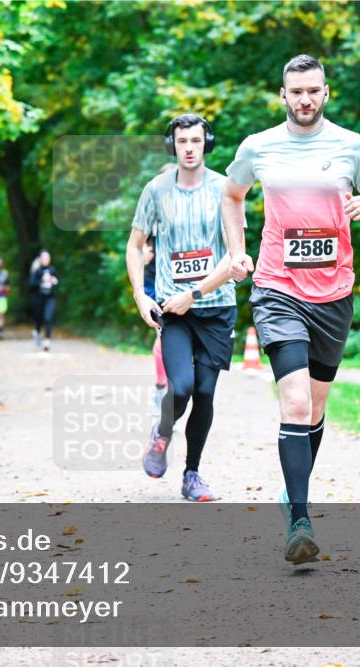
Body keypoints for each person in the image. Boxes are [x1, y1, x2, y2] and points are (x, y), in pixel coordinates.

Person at [222, 55, 360, 563]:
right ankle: (300, 519)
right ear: (283, 95)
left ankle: (291, 493)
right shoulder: (258, 146)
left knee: (316, 406)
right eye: (295, 91)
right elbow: (231, 195)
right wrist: (237, 250)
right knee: (295, 403)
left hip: (333, 293)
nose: (305, 99)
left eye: (313, 90)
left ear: (326, 92)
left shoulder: (351, 145)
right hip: (277, 287)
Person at [126, 113, 238, 502]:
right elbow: (134, 245)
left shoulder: (225, 189)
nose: (189, 148)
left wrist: (196, 292)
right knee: (182, 387)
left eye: (195, 140)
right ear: (171, 145)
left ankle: (192, 475)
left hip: (217, 307)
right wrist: (140, 294)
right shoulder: (156, 191)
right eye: (182, 141)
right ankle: (162, 432)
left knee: (205, 393)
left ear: (207, 143)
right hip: (174, 310)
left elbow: (235, 254)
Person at [143, 234, 168, 416]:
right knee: (162, 339)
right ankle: (160, 390)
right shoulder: (150, 229)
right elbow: (135, 248)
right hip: (154, 293)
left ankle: (163, 390)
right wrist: (143, 257)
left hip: (178, 293)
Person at [29, 250, 58, 351]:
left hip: (50, 298)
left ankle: (47, 340)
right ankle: (37, 332)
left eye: (47, 258)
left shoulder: (52, 270)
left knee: (48, 317)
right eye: (44, 258)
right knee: (39, 319)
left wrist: (54, 281)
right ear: (40, 259)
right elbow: (31, 284)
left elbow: (58, 283)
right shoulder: (37, 271)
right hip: (39, 298)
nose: (45, 260)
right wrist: (41, 281)